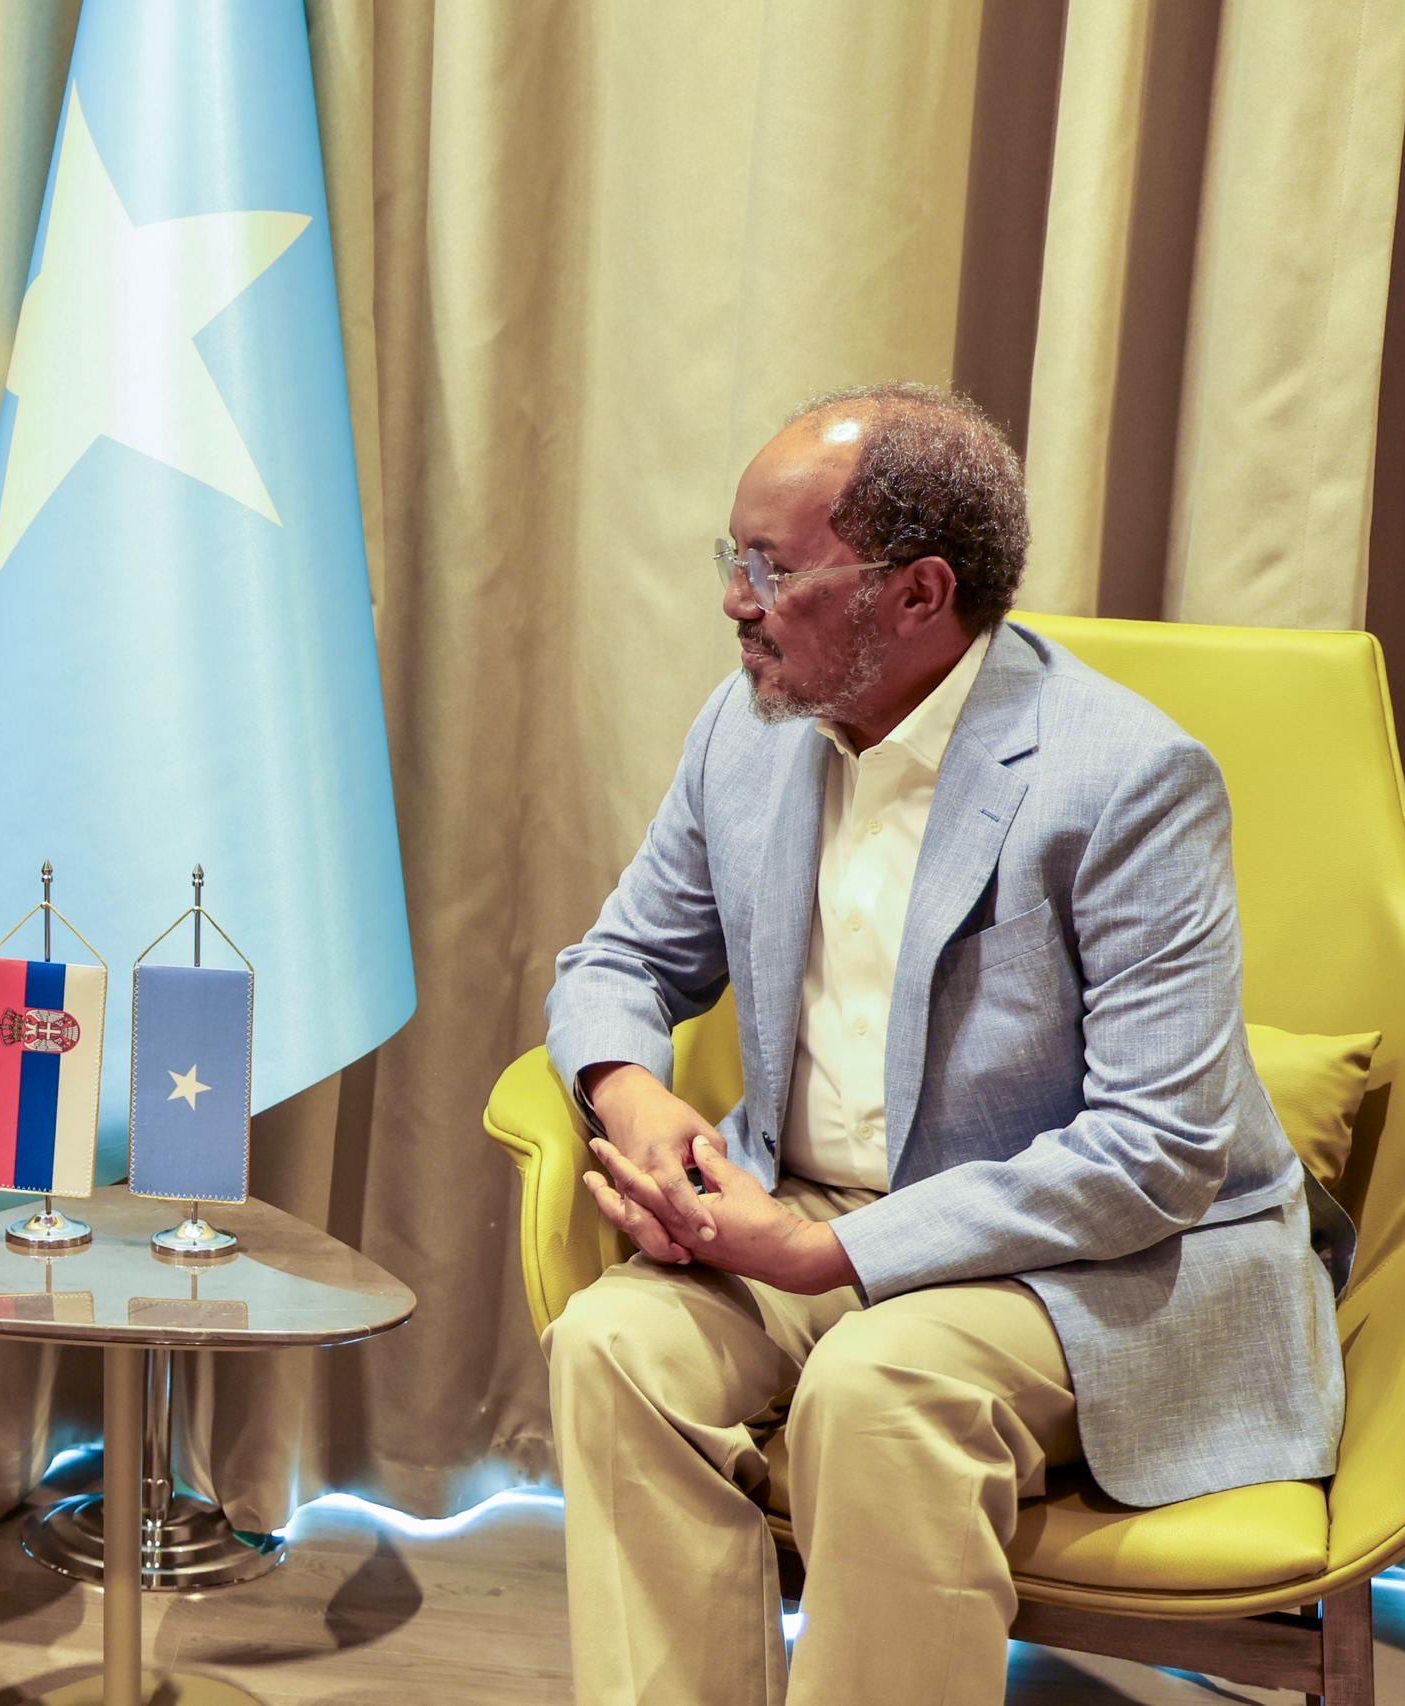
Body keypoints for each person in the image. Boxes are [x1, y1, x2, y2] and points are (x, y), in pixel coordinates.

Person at [543, 384, 1351, 1706]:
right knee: (614, 1344)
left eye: (771, 569)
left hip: (1091, 1258)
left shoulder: (1127, 780)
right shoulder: (742, 736)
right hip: (802, 1210)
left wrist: (831, 1250)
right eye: (728, 560)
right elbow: (618, 964)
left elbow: (1158, 1151)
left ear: (917, 594)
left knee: (880, 1383)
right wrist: (638, 1104)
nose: (735, 603)